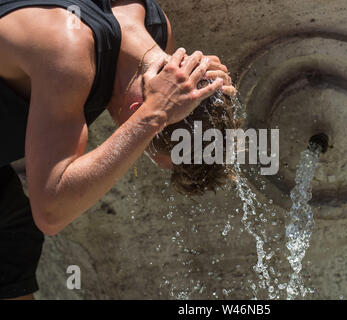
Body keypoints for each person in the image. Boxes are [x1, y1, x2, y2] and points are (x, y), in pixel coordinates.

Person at [0, 0, 238, 300]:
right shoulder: (66, 52)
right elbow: (50, 211)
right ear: (137, 108)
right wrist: (151, 118)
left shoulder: (154, 29)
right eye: (144, 148)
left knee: (13, 250)